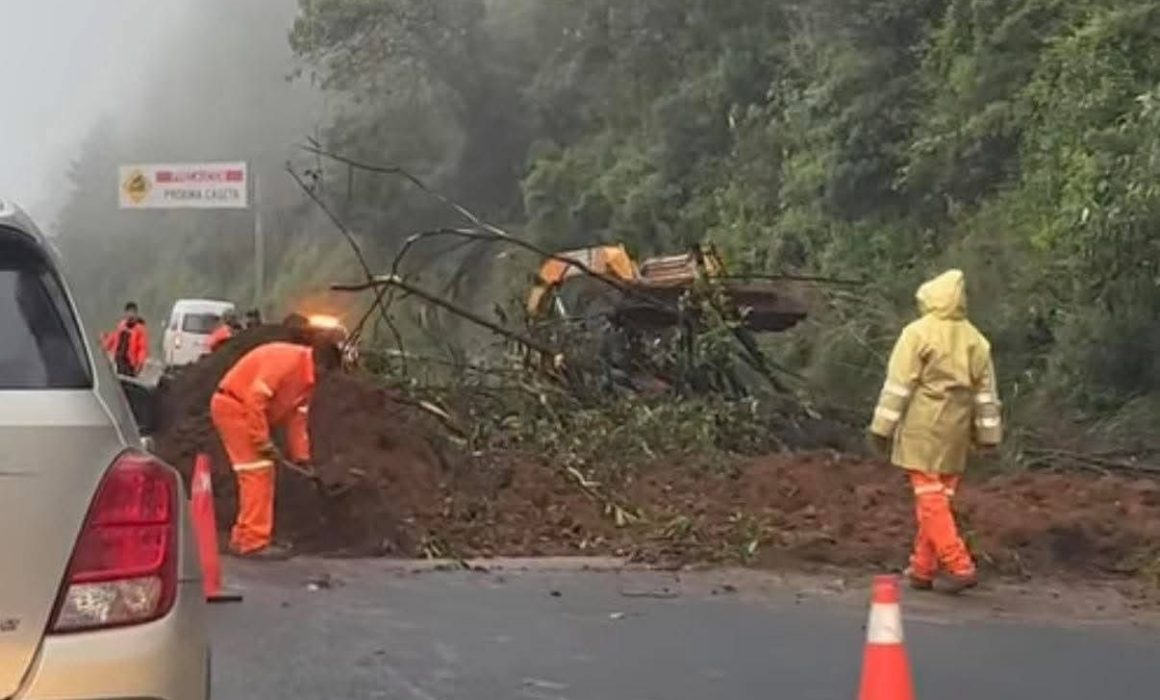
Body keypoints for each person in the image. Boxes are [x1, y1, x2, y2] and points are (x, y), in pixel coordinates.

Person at [867, 269, 1002, 593]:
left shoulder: (917, 333)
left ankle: (959, 564)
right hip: (956, 430)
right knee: (938, 498)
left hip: (923, 426)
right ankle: (922, 568)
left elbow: (899, 385)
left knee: (929, 499)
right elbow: (986, 394)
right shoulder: (976, 340)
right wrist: (988, 435)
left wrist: (881, 427)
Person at [209, 335, 342, 560]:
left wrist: (302, 458)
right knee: (257, 472)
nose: (326, 379)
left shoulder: (307, 381)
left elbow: (297, 419)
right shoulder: (286, 363)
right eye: (327, 373)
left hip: (243, 410)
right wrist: (261, 440)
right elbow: (255, 399)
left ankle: (243, 537)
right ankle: (253, 543)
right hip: (234, 407)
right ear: (320, 363)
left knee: (257, 472)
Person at [101, 301, 149, 377]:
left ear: (136, 314)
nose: (131, 315)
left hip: (130, 364)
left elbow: (142, 349)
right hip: (117, 361)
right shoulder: (121, 326)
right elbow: (112, 338)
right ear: (125, 314)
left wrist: (139, 364)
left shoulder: (140, 330)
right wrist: (103, 347)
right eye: (129, 312)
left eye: (133, 313)